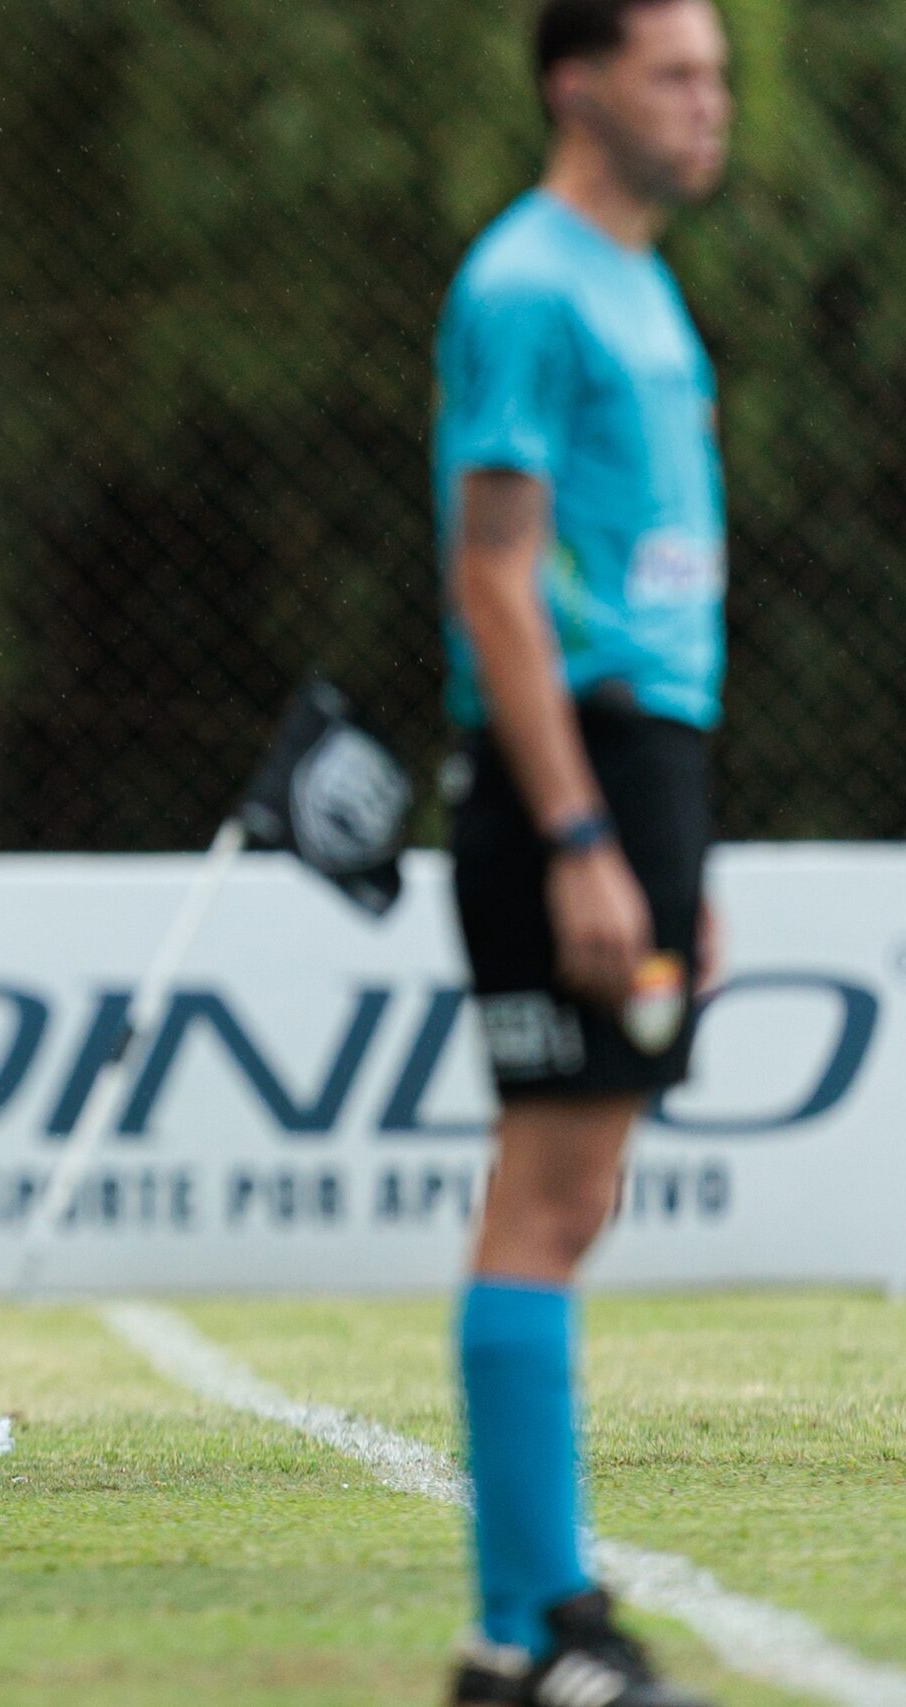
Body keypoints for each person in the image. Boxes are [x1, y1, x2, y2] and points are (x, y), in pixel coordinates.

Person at [434, 2, 731, 1702]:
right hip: (577, 777)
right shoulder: (527, 281)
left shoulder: (639, 280)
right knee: (546, 1197)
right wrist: (580, 833)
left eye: (716, 78)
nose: (712, 105)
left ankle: (523, 1624)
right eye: (677, 73)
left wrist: (687, 854)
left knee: (580, 1187)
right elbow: (496, 574)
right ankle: (537, 1627)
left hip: (645, 773)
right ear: (579, 83)